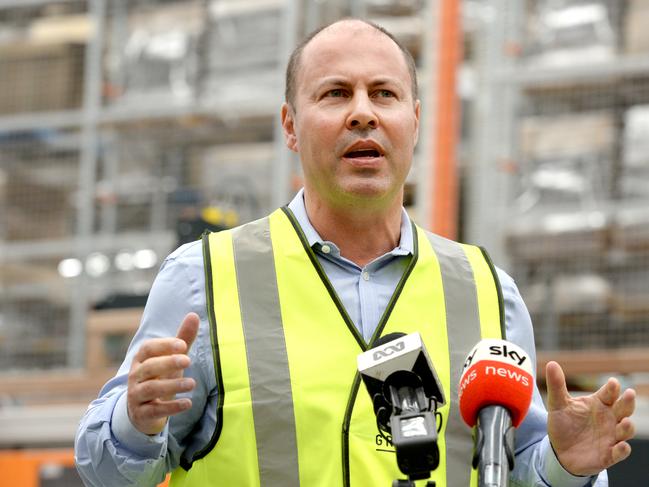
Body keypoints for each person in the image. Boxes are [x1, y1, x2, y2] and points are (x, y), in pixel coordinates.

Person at [75, 19, 636, 487]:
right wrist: (136, 422)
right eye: (336, 93)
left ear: (414, 121)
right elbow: (103, 469)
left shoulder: (489, 292)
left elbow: (519, 471)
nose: (363, 112)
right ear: (291, 127)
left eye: (384, 94)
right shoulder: (203, 278)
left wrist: (566, 465)